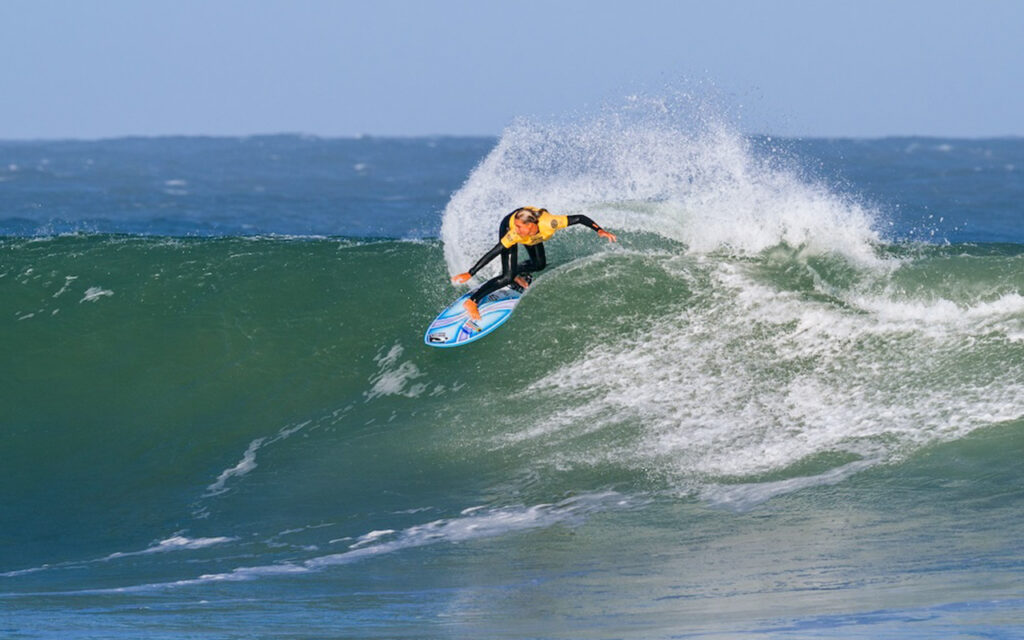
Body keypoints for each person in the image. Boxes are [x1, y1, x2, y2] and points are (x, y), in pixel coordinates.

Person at [451, 206, 617, 320]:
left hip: (533, 236)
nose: (516, 229)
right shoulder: (513, 232)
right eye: (516, 227)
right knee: (507, 277)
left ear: (531, 225)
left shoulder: (549, 223)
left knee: (539, 265)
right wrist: (471, 272)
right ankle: (472, 301)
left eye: (520, 227)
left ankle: (516, 272)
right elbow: (495, 250)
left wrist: (600, 230)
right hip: (508, 225)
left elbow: (580, 218)